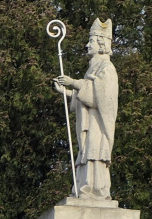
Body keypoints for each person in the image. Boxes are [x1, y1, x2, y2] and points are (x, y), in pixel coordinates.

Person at [53, 18, 118, 200]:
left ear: (101, 44)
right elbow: (86, 95)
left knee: (94, 154)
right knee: (86, 154)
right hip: (90, 122)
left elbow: (102, 97)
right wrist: (67, 92)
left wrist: (74, 83)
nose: (87, 45)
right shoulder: (92, 69)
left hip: (98, 124)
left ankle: (94, 189)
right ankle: (83, 187)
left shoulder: (107, 68)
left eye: (91, 41)